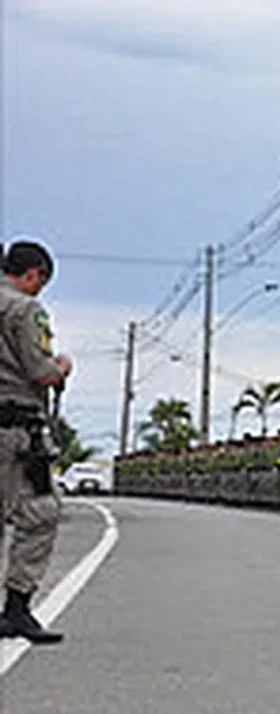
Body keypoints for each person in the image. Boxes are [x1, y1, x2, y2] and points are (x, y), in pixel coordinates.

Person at [0, 241, 72, 645]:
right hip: (14, 430)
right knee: (40, 512)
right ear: (34, 274)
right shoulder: (24, 309)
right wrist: (62, 366)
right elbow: (42, 373)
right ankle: (16, 608)